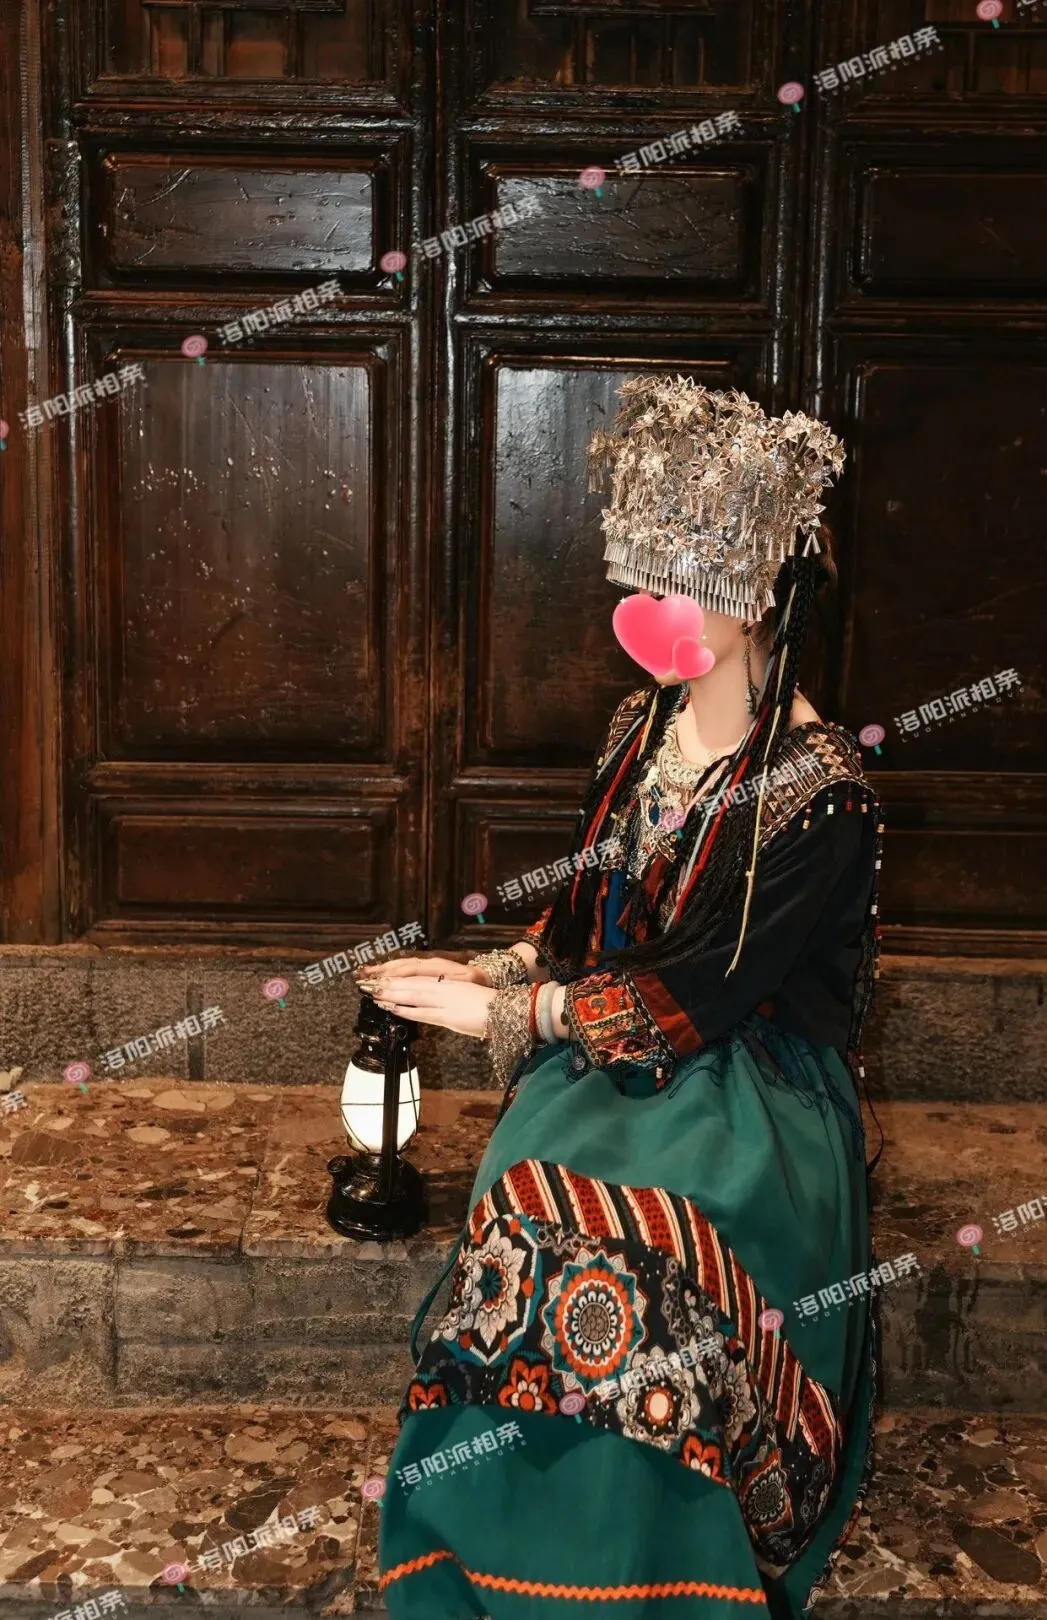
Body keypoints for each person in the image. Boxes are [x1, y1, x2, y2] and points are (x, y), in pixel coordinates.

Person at [361, 380, 883, 1619]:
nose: (654, 616)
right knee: (527, 1197)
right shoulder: (637, 732)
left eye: (682, 587)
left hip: (756, 1091)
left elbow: (705, 987)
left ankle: (655, 1558)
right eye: (647, 584)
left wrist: (516, 1020)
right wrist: (492, 972)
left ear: (757, 597)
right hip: (610, 1048)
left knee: (656, 1237)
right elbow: (589, 916)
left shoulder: (821, 794)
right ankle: (501, 1529)